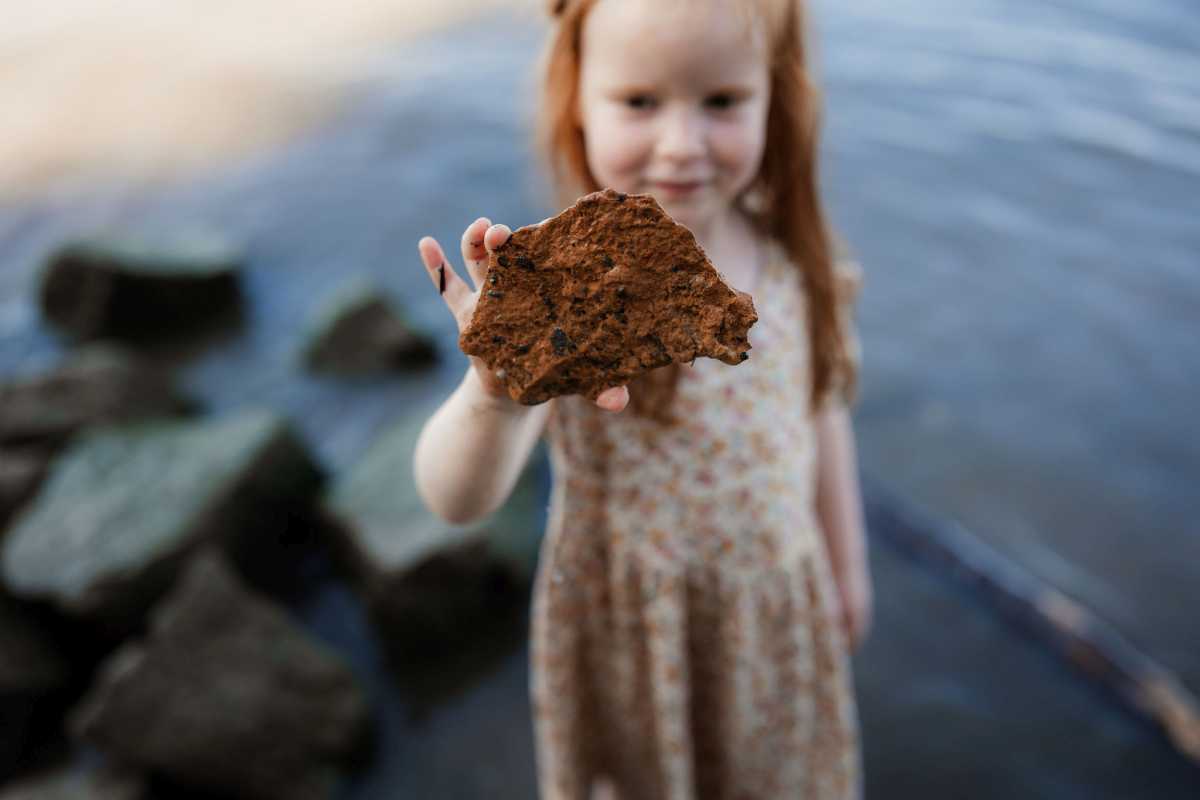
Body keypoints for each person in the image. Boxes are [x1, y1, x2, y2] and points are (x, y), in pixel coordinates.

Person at [414, 0, 871, 796]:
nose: (681, 145)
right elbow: (453, 499)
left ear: (777, 97)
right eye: (639, 102)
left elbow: (823, 412)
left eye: (722, 101)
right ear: (577, 104)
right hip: (634, 640)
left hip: (773, 617)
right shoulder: (562, 305)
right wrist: (498, 392)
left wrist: (846, 563)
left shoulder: (799, 266)